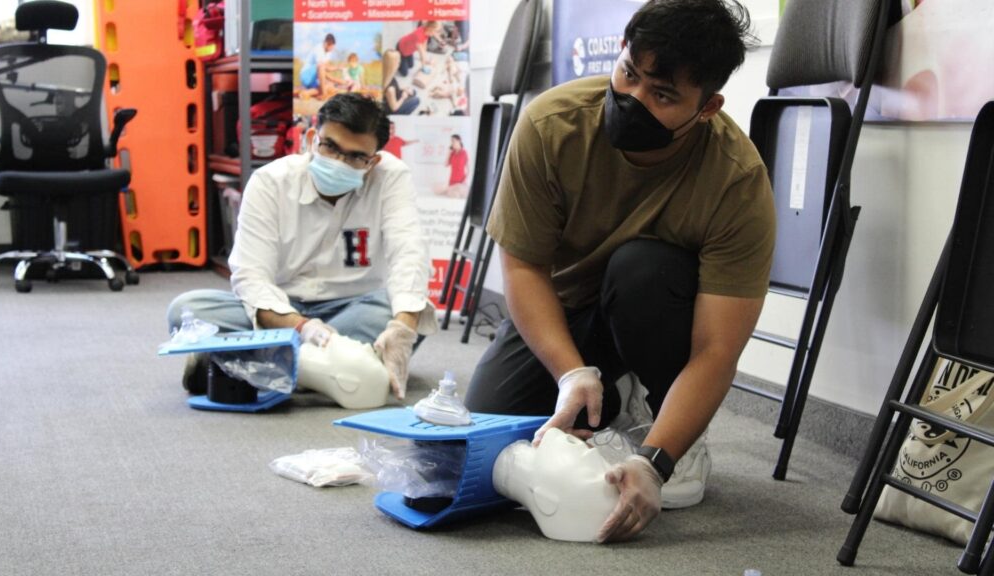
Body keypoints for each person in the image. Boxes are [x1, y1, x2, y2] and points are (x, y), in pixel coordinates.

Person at [464, 0, 773, 543]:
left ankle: (662, 417)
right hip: (565, 307)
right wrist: (568, 372)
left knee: (642, 269)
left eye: (663, 95)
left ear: (708, 107)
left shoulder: (735, 179)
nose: (633, 99)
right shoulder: (551, 124)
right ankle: (606, 388)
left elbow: (717, 349)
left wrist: (658, 461)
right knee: (488, 426)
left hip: (650, 307)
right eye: (630, 73)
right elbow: (524, 266)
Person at [167, 93, 436, 401]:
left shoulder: (391, 177)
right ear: (311, 138)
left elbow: (409, 254)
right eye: (331, 146)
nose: (339, 161)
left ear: (373, 162)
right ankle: (327, 369)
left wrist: (402, 328)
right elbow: (250, 277)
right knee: (188, 310)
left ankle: (240, 366)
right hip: (280, 312)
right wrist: (305, 329)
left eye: (355, 157)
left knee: (408, 314)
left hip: (354, 308)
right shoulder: (270, 182)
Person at [300, 33, 340, 98]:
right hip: (307, 75)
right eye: (331, 47)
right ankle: (324, 94)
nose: (332, 49)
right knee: (321, 67)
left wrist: (338, 67)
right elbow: (322, 68)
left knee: (330, 86)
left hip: (315, 79)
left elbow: (327, 69)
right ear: (327, 44)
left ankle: (307, 93)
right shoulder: (318, 49)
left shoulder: (328, 52)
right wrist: (335, 80)